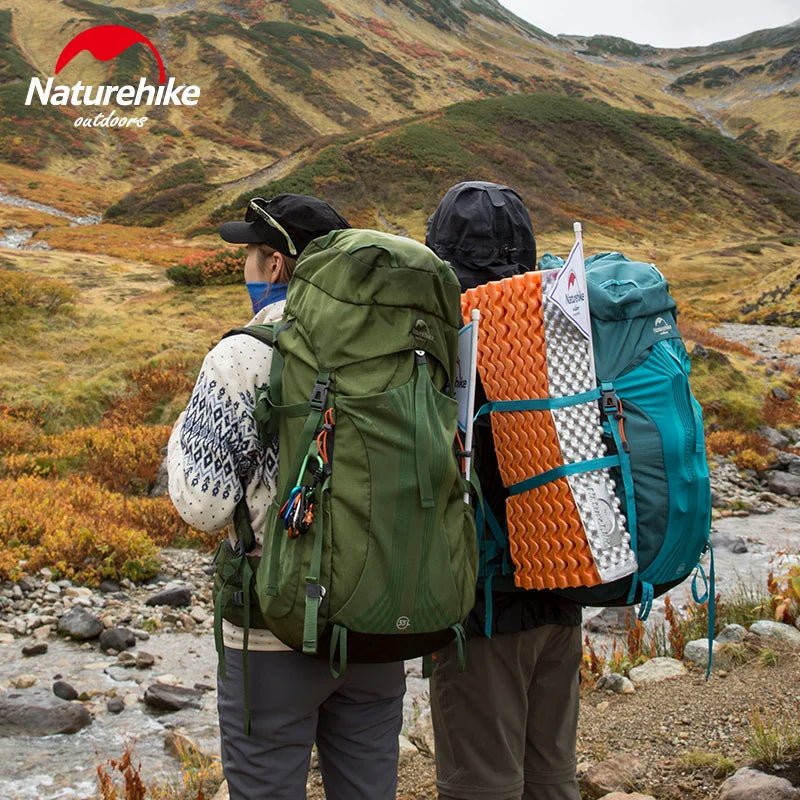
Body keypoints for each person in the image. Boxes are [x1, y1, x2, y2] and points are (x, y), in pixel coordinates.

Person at [167, 194, 406, 800]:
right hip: (380, 616)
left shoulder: (242, 355)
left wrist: (184, 435)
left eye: (249, 253)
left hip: (272, 626)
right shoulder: (400, 349)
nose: (244, 266)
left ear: (275, 264)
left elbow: (202, 507)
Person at [425, 181, 583, 800]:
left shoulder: (449, 350)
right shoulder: (564, 332)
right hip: (565, 594)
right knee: (551, 780)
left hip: (485, 613)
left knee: (482, 787)